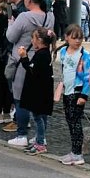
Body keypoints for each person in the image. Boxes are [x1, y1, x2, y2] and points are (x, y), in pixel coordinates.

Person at [4, 0, 54, 143]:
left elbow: (11, 37)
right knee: (39, 100)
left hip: (22, 59)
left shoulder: (24, 17)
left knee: (20, 98)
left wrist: (10, 24)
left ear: (28, 0)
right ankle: (41, 136)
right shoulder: (49, 17)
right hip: (42, 59)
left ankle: (21, 134)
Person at [57, 25, 90, 165]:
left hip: (77, 91)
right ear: (67, 37)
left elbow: (88, 77)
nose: (78, 41)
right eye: (74, 37)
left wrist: (84, 95)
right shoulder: (64, 52)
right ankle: (74, 151)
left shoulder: (85, 55)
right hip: (68, 90)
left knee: (76, 122)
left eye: (80, 38)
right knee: (70, 121)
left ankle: (78, 153)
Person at [18, 27, 55, 155]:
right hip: (43, 91)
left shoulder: (42, 55)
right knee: (41, 117)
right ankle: (39, 140)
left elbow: (32, 69)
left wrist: (24, 58)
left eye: (33, 38)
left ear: (39, 40)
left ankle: (40, 143)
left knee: (38, 117)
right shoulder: (45, 53)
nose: (32, 41)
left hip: (39, 92)